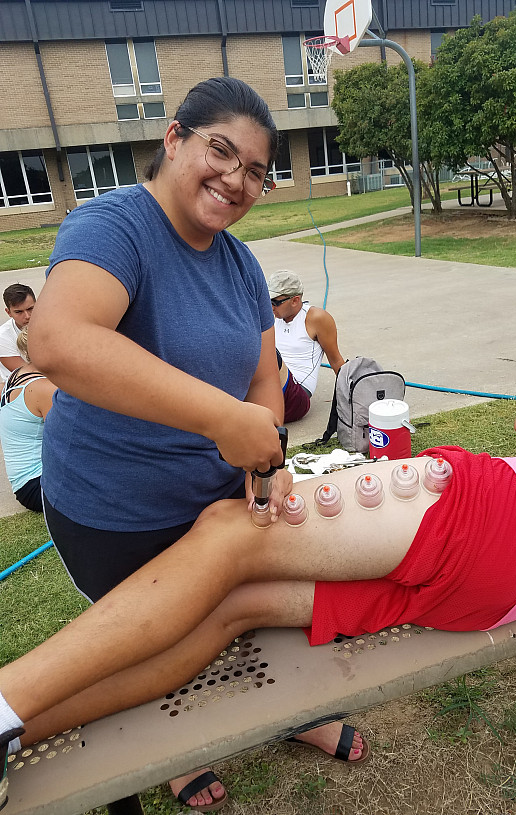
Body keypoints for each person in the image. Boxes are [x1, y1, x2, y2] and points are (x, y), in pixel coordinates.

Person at [1, 380, 516, 812]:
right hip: (504, 593)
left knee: (229, 532)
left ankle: (5, 706)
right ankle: (17, 736)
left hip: (493, 512)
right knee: (237, 608)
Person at [25, 78, 360, 812]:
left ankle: (289, 710)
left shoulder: (240, 265)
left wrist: (264, 448)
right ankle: (171, 753)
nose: (235, 180)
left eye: (255, 172)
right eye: (221, 151)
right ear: (173, 139)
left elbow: (264, 379)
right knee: (151, 642)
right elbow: (56, 339)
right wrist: (218, 420)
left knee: (247, 614)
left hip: (215, 497)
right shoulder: (114, 226)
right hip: (115, 510)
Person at [269, 271, 345, 416]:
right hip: (268, 388)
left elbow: (336, 360)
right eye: (268, 300)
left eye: (275, 302)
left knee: (269, 354)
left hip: (297, 395)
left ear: (295, 300)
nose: (271, 307)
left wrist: (354, 396)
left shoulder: (316, 318)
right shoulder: (271, 317)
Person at [0, 327, 56, 513]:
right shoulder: (44, 388)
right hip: (38, 486)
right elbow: (68, 441)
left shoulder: (16, 375)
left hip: (25, 484)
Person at [0, 284, 36, 382]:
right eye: (19, 312)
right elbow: (27, 374)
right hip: (20, 386)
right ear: (8, 312)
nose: (27, 316)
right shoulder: (3, 337)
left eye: (30, 309)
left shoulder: (51, 323)